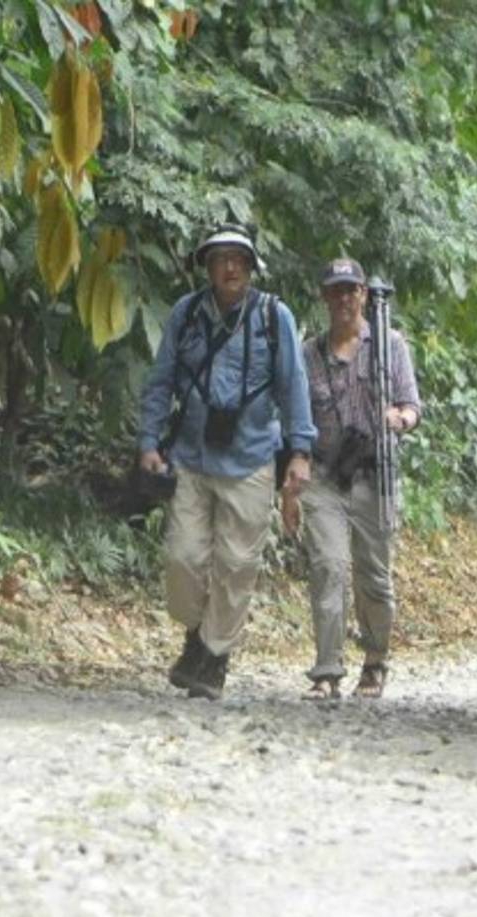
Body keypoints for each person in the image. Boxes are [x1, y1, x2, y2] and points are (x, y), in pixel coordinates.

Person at [138, 223, 316, 700]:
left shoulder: (272, 317)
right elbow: (161, 379)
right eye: (220, 258)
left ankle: (213, 657)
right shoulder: (187, 313)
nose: (230, 267)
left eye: (238, 258)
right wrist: (149, 441)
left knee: (237, 564)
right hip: (191, 455)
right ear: (208, 267)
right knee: (183, 557)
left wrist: (299, 453)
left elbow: (293, 386)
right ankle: (195, 633)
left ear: (251, 266)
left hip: (251, 455)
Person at [280, 257, 421, 700]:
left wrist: (398, 418)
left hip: (374, 477)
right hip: (325, 476)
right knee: (328, 567)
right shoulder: (308, 354)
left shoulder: (389, 345)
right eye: (336, 290)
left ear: (363, 294)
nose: (344, 299)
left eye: (352, 290)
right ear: (324, 297)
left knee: (374, 579)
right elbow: (295, 419)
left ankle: (375, 661)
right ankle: (327, 669)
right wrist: (292, 478)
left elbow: (413, 406)